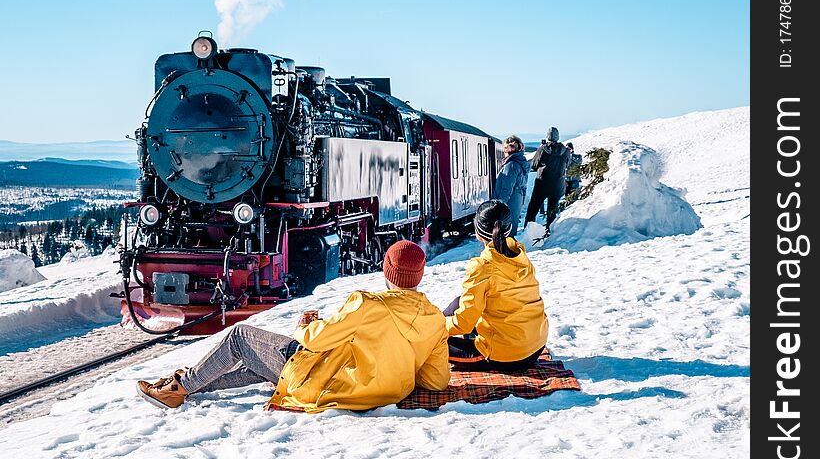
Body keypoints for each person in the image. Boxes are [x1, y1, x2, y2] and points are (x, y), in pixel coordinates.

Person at [136, 240, 451, 412]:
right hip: (383, 392)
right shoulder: (435, 318)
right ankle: (184, 386)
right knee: (261, 362)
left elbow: (315, 341)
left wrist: (307, 323)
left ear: (388, 272)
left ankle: (181, 387)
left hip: (331, 385)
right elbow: (436, 380)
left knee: (240, 337)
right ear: (420, 275)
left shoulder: (368, 304)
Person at [443, 200, 549, 371]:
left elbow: (463, 323)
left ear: (478, 232)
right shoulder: (520, 255)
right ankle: (432, 323)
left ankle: (429, 328)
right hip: (536, 344)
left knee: (435, 342)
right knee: (459, 301)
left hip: (506, 356)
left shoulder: (482, 266)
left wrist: (437, 328)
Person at [524, 126, 570, 233]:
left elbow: (534, 165)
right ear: (558, 137)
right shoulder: (565, 151)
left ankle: (528, 230)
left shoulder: (542, 149)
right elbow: (567, 164)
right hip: (557, 185)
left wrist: (540, 151)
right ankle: (549, 231)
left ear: (547, 137)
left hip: (542, 184)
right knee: (552, 210)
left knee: (533, 208)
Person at [492, 135, 529, 236]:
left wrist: (499, 205)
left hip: (509, 202)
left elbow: (507, 188)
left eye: (504, 149)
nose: (504, 152)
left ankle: (506, 251)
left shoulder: (511, 165)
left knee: (505, 233)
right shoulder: (520, 163)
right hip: (516, 200)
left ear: (508, 149)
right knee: (511, 231)